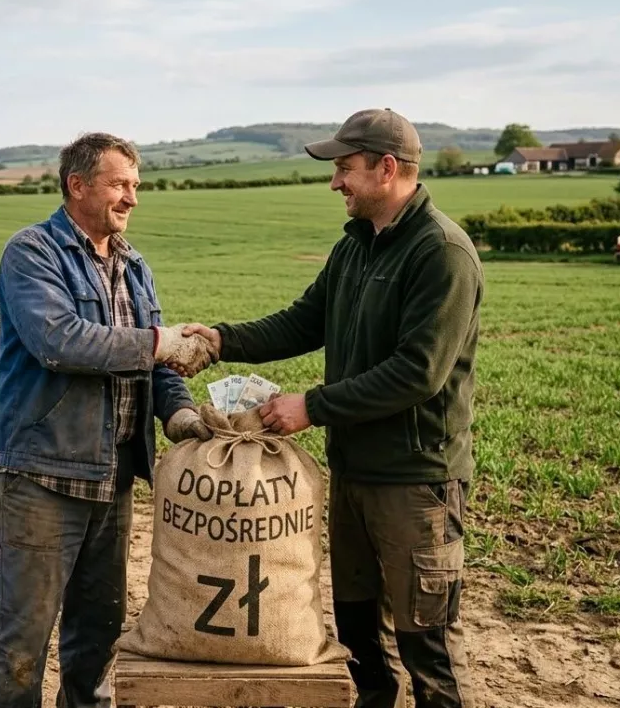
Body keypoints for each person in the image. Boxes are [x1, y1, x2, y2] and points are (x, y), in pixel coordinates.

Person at [181, 108, 483, 708]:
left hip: (414, 482)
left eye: (345, 168)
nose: (335, 182)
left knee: (426, 644)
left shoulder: (441, 252)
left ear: (387, 168)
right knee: (358, 632)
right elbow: (302, 321)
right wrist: (220, 339)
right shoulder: (355, 248)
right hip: (353, 473)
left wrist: (312, 407)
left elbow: (417, 372)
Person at [0, 132, 215, 708]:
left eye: (135, 185)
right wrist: (161, 341)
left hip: (113, 482)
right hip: (43, 479)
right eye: (119, 184)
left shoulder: (135, 268)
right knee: (20, 645)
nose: (131, 197)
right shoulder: (33, 253)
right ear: (76, 185)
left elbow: (154, 367)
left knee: (97, 641)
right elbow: (60, 342)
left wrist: (180, 414)